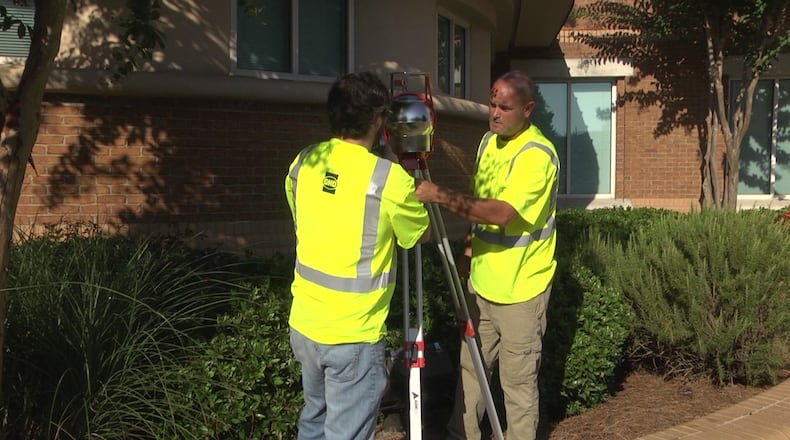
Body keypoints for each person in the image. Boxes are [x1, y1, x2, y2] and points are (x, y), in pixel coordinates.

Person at [284, 71, 431, 440]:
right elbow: (419, 234)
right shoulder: (388, 178)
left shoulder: (304, 162)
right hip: (352, 335)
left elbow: (301, 213)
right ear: (381, 121)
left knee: (314, 422)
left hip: (305, 324)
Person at [415, 70, 559, 440]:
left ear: (528, 109)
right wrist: (466, 255)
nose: (494, 113)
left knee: (517, 385)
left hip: (521, 291)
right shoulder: (487, 143)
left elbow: (500, 213)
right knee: (472, 371)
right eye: (492, 104)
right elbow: (479, 212)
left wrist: (439, 195)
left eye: (504, 107)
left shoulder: (537, 155)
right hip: (482, 283)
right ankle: (460, 435)